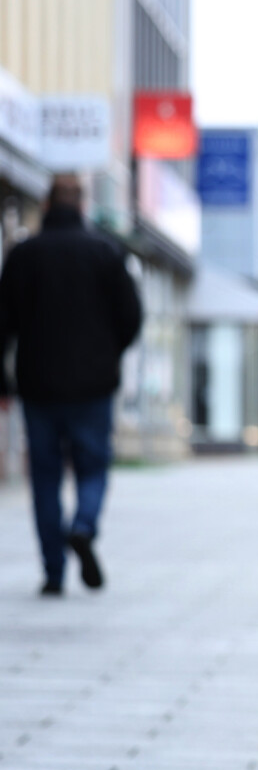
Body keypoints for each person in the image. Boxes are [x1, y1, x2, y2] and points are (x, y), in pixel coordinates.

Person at [0, 175, 143, 596]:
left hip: (39, 384)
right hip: (93, 387)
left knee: (44, 477)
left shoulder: (24, 255)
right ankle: (83, 525)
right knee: (93, 467)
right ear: (82, 205)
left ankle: (54, 571)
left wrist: (3, 376)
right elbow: (132, 317)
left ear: (46, 205)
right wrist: (108, 353)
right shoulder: (105, 253)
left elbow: (2, 322)